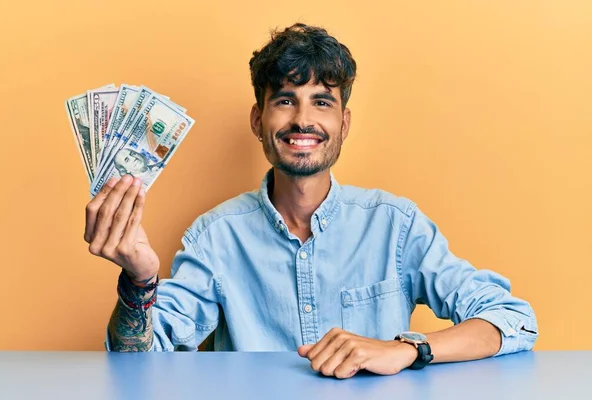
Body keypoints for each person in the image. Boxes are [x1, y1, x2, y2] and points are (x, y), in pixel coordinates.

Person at [84, 23, 538, 379]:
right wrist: (140, 281)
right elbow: (135, 362)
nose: (303, 120)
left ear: (344, 123)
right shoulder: (214, 237)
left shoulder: (396, 226)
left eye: (322, 102)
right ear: (258, 120)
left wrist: (406, 349)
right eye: (285, 100)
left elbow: (514, 319)